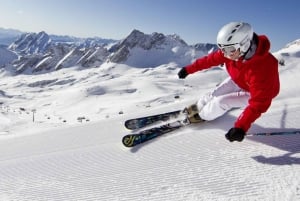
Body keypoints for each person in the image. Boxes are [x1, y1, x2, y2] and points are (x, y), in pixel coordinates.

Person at [177, 22, 280, 142]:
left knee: (221, 101)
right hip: (239, 80)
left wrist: (240, 127)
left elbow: (259, 103)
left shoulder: (263, 68)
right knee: (214, 94)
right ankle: (199, 106)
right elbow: (209, 60)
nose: (225, 54)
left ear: (245, 45)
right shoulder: (232, 52)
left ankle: (202, 116)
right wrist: (188, 69)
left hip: (255, 93)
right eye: (222, 49)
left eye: (229, 50)